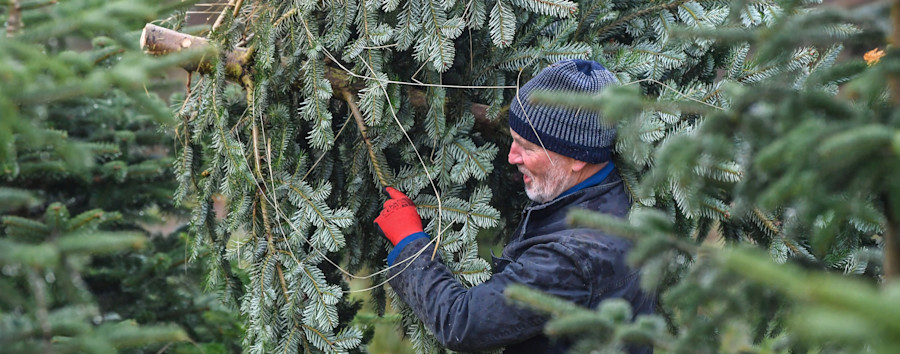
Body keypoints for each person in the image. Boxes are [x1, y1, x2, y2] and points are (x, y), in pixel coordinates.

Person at [374, 59, 655, 353]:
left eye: (528, 148)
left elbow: (462, 322)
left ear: (577, 158)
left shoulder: (574, 257)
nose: (511, 156)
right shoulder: (615, 191)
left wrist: (410, 244)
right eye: (513, 140)